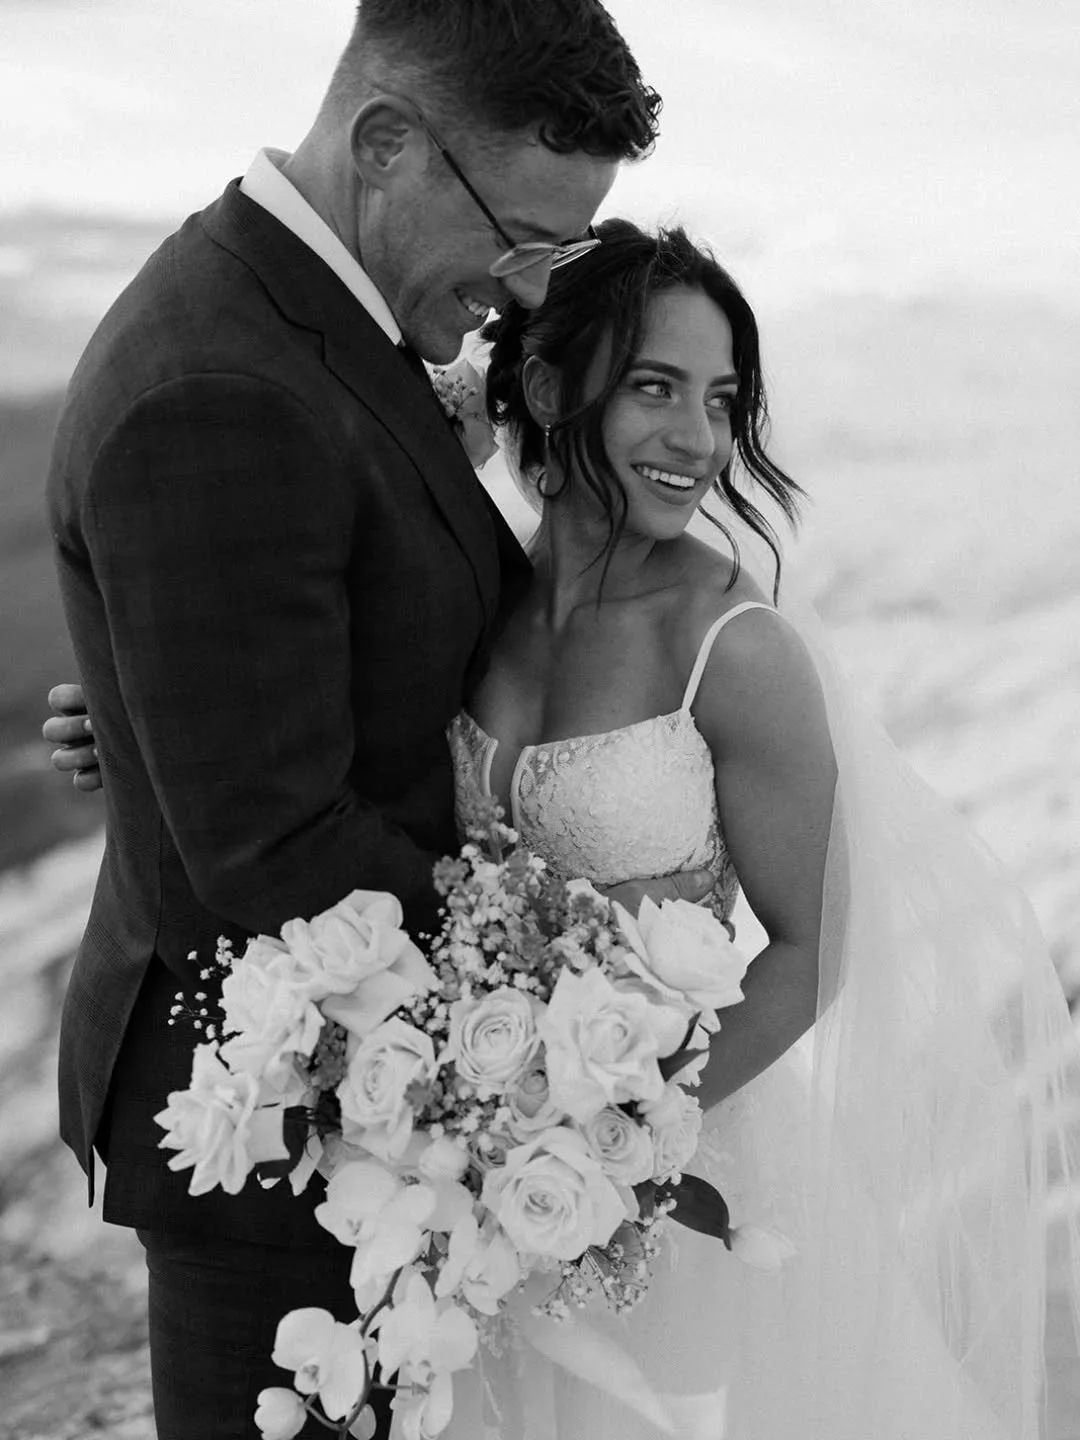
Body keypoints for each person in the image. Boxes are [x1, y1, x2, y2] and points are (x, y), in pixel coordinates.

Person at [52, 218, 1080, 1437]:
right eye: (656, 388)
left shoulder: (732, 651)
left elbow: (813, 947)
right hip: (462, 1178)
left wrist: (616, 1143)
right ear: (546, 386)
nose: (697, 441)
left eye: (721, 400)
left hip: (670, 1183)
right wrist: (136, 727)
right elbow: (312, 740)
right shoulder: (472, 596)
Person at [39, 6, 711, 1437]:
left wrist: (163, 706)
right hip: (274, 1129)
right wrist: (561, 990)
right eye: (521, 237)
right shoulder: (228, 381)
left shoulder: (316, 314)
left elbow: (297, 658)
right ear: (388, 142)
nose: (527, 289)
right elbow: (272, 843)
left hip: (382, 1106)